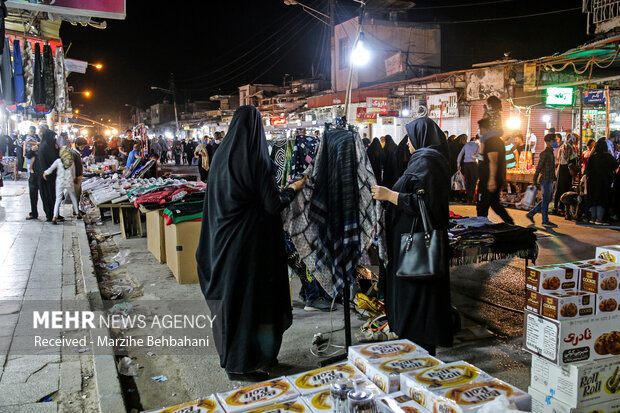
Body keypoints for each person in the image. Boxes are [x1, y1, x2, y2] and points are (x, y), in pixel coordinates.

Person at [196, 106, 306, 381]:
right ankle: (249, 363)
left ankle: (239, 360)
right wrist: (294, 188)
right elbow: (271, 204)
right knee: (254, 304)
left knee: (234, 304)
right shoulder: (256, 159)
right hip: (251, 249)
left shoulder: (221, 155)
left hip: (223, 245)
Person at [370, 117, 453, 355]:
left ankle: (420, 354)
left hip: (417, 248)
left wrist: (390, 196)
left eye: (410, 139)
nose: (407, 144)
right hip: (410, 244)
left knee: (417, 302)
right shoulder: (423, 161)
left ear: (422, 138)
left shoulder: (428, 163)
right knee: (413, 301)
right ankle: (414, 349)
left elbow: (428, 204)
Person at [476, 118, 513, 224]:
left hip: (489, 179)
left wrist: (491, 180)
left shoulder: (493, 142)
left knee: (482, 206)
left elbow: (493, 161)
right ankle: (510, 223)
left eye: (481, 129)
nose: (480, 131)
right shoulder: (491, 141)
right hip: (490, 178)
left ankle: (482, 228)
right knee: (495, 204)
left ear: (485, 129)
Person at [43, 146, 81, 224]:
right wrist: (74, 179)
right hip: (69, 182)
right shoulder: (71, 162)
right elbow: (73, 173)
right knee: (73, 197)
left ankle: (54, 217)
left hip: (60, 183)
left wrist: (45, 173)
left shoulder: (58, 161)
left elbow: (51, 169)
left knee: (58, 200)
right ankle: (77, 214)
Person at [526, 134, 557, 227]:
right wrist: (534, 179)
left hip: (550, 179)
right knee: (546, 199)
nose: (555, 142)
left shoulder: (551, 152)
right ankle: (545, 220)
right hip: (545, 179)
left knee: (547, 199)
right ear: (548, 142)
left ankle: (532, 213)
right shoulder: (545, 153)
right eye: (553, 140)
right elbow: (539, 167)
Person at [585, 138, 618, 225]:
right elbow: (616, 165)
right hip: (604, 182)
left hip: (592, 182)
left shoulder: (592, 157)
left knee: (593, 199)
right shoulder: (607, 157)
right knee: (602, 199)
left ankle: (593, 217)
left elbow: (587, 170)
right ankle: (599, 219)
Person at [36, 130, 59, 222]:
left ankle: (55, 214)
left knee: (53, 195)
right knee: (47, 195)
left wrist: (57, 149)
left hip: (51, 174)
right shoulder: (44, 146)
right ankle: (50, 215)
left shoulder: (49, 146)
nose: (54, 139)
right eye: (53, 137)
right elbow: (42, 162)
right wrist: (45, 173)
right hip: (46, 176)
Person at [553, 134, 577, 217]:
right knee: (565, 189)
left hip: (561, 169)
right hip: (566, 170)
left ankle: (556, 208)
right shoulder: (569, 147)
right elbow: (570, 160)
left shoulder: (562, 146)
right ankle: (562, 209)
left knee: (559, 189)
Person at [457, 135, 480, 203]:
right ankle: (470, 198)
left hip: (466, 164)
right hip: (473, 164)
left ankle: (468, 198)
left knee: (467, 181)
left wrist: (458, 164)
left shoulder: (467, 144)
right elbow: (479, 155)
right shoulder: (478, 144)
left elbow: (460, 154)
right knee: (473, 181)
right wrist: (474, 156)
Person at [73, 137, 87, 203]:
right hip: (75, 178)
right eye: (81, 146)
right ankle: (75, 211)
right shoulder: (74, 153)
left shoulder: (77, 153)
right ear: (76, 145)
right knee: (76, 195)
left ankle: (76, 210)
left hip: (78, 176)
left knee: (78, 194)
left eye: (84, 146)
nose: (83, 148)